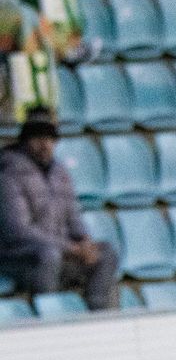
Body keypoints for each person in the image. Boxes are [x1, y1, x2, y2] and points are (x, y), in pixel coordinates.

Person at [0, 110, 119, 310]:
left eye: (50, 139)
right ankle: (50, 315)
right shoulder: (8, 174)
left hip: (60, 251)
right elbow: (18, 231)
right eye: (38, 138)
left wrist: (84, 243)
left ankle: (99, 317)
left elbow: (74, 217)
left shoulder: (59, 173)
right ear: (25, 140)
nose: (45, 145)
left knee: (105, 253)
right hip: (19, 257)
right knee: (50, 256)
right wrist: (70, 248)